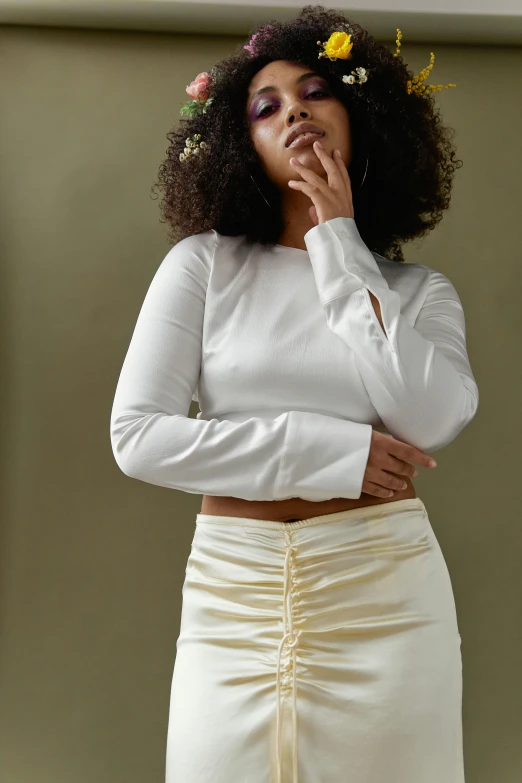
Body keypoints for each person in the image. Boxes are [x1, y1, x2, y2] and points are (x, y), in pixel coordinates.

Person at [110, 6, 478, 782]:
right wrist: (331, 451)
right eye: (265, 106)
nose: (295, 111)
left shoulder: (420, 291)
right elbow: (139, 436)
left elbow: (431, 417)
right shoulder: (201, 267)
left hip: (387, 593)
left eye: (317, 92)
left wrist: (337, 240)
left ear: (362, 119)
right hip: (231, 591)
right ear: (241, 143)